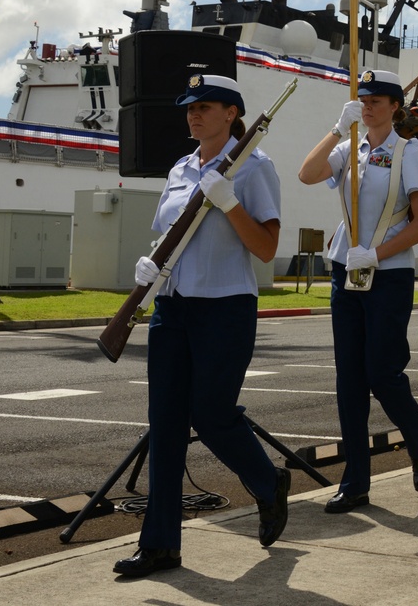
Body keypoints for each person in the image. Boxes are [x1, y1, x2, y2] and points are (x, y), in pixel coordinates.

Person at [113, 74, 290, 578]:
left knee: (212, 414)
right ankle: (161, 545)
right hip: (173, 308)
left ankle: (266, 480)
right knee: (165, 427)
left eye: (205, 106)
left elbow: (266, 248)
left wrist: (230, 202)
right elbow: (171, 233)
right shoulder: (180, 167)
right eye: (189, 106)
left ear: (232, 113)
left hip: (225, 306)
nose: (194, 114)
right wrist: (148, 267)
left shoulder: (254, 168)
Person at [299, 69, 418, 512]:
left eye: (378, 98)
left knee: (382, 372)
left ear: (396, 105)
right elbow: (307, 174)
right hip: (346, 270)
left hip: (389, 273)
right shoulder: (349, 148)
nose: (369, 104)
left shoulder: (408, 151)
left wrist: (377, 254)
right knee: (349, 381)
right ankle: (356, 479)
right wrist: (338, 128)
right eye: (363, 98)